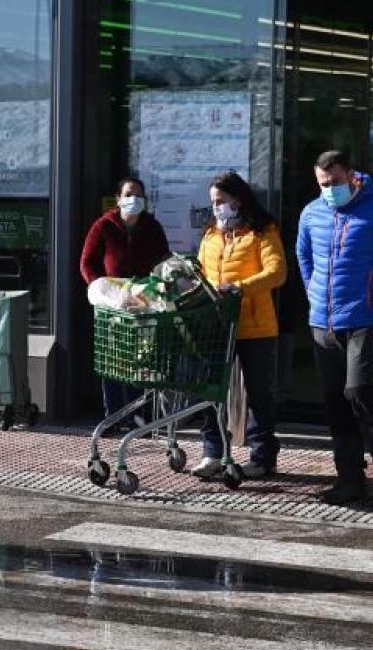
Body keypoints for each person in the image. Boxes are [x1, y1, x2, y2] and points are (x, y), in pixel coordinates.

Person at [192, 171, 286, 480]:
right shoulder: (211, 235)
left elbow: (277, 273)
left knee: (259, 394)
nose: (217, 207)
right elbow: (204, 272)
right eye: (213, 202)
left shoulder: (262, 231)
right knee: (212, 389)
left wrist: (241, 287)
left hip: (255, 326)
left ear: (238, 199)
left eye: (221, 201)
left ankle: (263, 457)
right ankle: (212, 453)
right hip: (217, 326)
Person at [296, 150, 373, 504]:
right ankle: (349, 479)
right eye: (323, 184)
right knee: (334, 402)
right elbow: (304, 256)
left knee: (359, 393)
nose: (329, 189)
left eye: (335, 183)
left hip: (364, 318)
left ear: (351, 175)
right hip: (322, 322)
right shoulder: (312, 213)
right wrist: (314, 293)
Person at [80, 176, 171, 429]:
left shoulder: (152, 227)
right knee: (113, 358)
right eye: (129, 194)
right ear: (118, 199)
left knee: (140, 358)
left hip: (143, 301)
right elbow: (87, 263)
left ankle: (138, 415)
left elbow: (164, 261)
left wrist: (153, 290)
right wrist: (102, 288)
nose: (134, 200)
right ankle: (113, 415)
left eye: (139, 195)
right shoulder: (104, 226)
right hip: (112, 304)